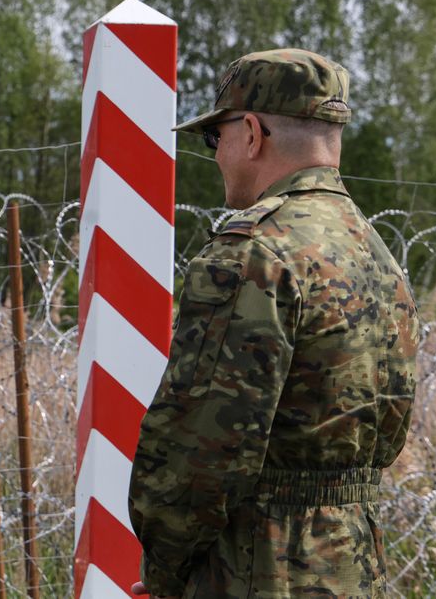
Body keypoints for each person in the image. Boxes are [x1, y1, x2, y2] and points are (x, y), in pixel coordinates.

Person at [128, 49, 419, 598]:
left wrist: (165, 574)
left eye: (217, 139)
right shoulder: (375, 252)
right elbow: (390, 429)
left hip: (255, 568)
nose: (217, 156)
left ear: (253, 133)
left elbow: (199, 450)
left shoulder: (252, 254)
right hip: (356, 564)